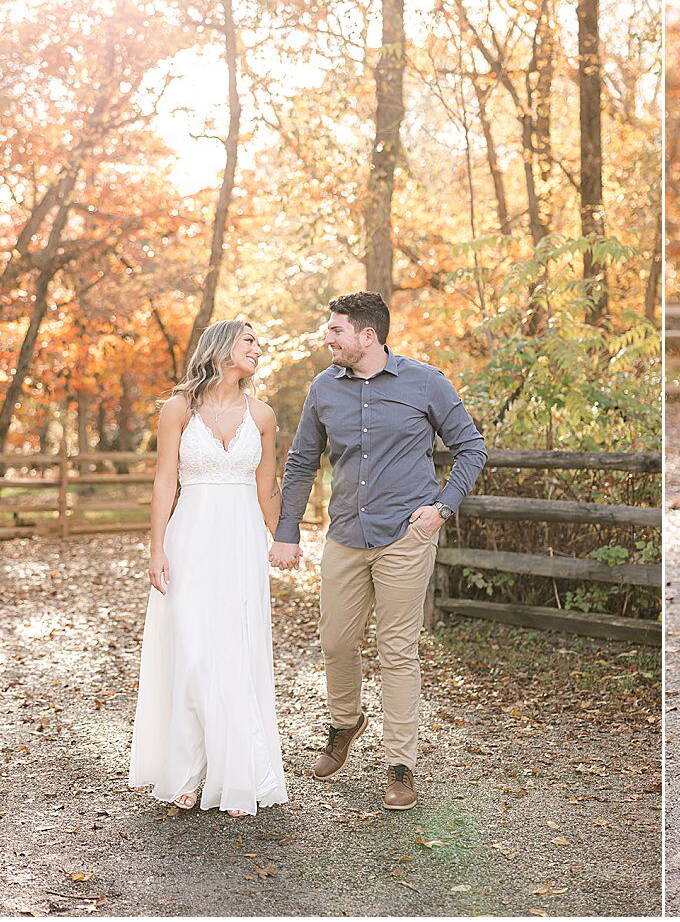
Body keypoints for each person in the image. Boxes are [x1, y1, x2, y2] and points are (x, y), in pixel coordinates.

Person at [272, 291, 487, 811]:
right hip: (345, 535)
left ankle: (400, 764)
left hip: (406, 536)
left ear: (368, 336)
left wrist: (442, 507)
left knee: (397, 650)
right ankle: (346, 723)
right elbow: (302, 462)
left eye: (336, 331)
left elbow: (471, 448)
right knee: (337, 643)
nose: (328, 339)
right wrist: (287, 531)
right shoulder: (324, 388)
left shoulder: (425, 382)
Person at [129, 319, 288, 817]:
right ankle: (187, 770)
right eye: (250, 342)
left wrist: (284, 538)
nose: (258, 350)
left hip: (241, 540)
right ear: (223, 350)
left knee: (236, 651)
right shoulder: (178, 409)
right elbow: (163, 483)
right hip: (191, 538)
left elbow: (268, 489)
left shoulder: (262, 414)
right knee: (194, 653)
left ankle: (238, 772)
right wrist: (156, 549)